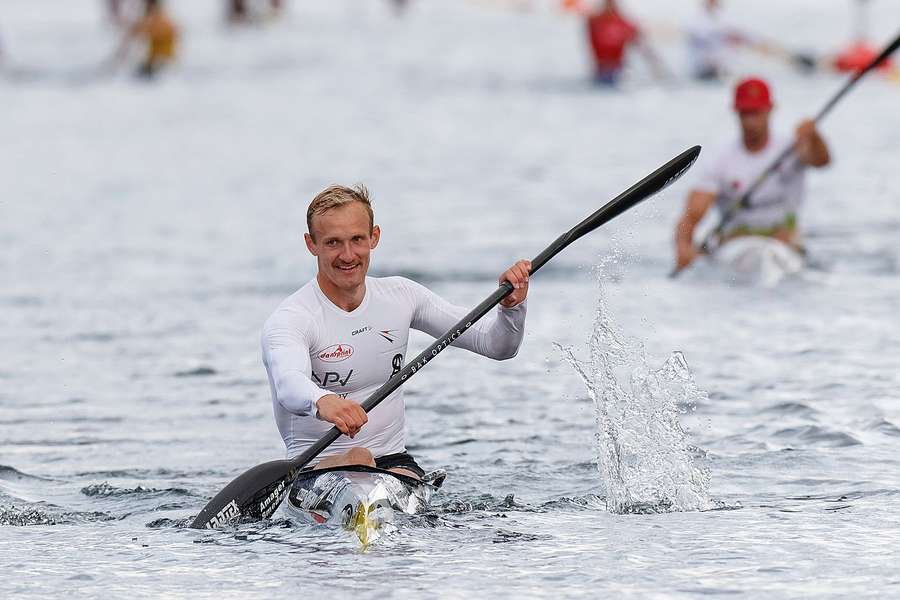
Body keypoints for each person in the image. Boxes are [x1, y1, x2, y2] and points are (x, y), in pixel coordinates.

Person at [262, 185, 530, 479]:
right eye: (333, 243)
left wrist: (511, 307)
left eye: (357, 240)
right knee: (359, 457)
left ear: (374, 237)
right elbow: (289, 385)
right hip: (314, 471)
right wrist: (322, 401)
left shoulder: (402, 295)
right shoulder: (292, 319)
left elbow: (496, 345)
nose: (348, 255)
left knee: (390, 477)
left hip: (394, 463)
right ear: (311, 244)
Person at [674, 77, 831, 272]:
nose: (750, 121)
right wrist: (683, 249)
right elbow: (690, 216)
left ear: (770, 109)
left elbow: (822, 161)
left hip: (784, 246)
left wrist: (814, 137)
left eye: (756, 113)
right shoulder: (720, 159)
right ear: (736, 113)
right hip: (734, 247)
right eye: (745, 114)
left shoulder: (793, 149)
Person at [585, 0, 667, 85]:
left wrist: (656, 67)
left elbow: (643, 46)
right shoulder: (595, 22)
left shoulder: (623, 23)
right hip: (601, 70)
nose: (609, 7)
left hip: (616, 71)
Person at [115, 0, 178, 78]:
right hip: (154, 60)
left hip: (161, 61)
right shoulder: (155, 19)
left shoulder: (160, 20)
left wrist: (134, 30)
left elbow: (148, 29)